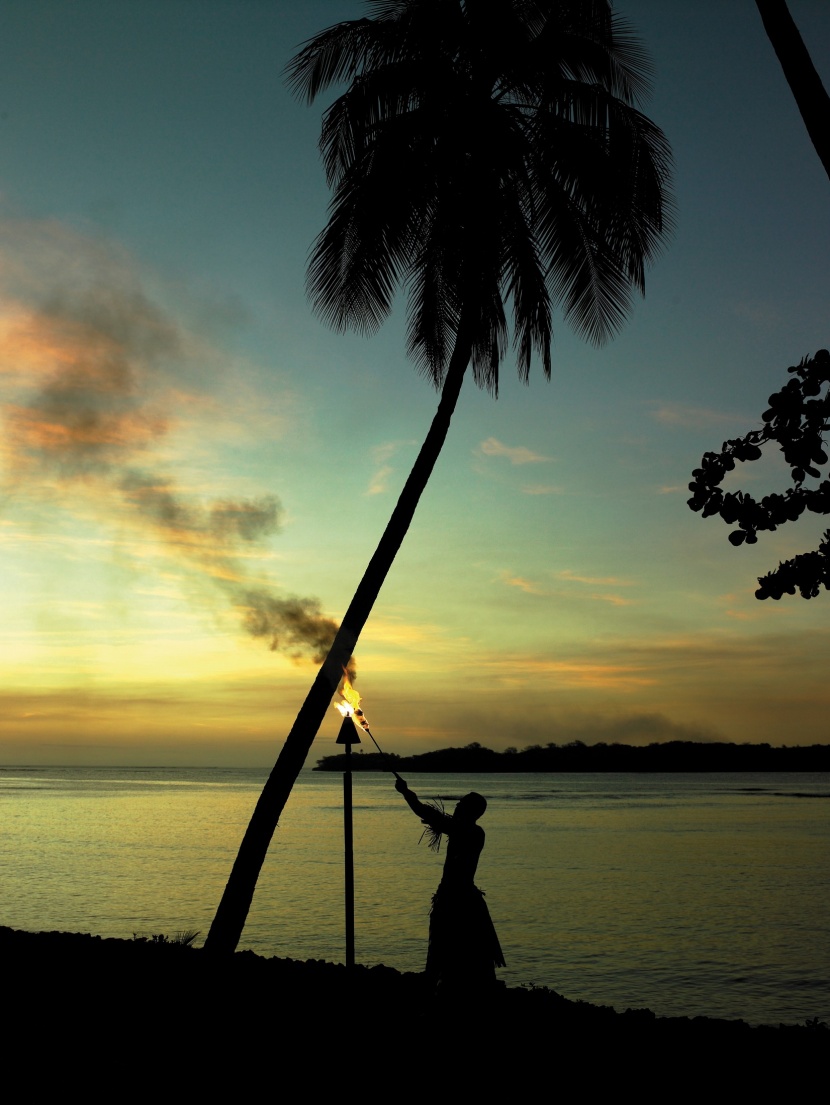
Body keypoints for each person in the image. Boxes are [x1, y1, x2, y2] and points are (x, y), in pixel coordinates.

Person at [394, 775, 505, 993]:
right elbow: (433, 816)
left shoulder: (470, 832)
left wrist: (406, 793)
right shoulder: (466, 830)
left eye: (461, 803)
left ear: (470, 811)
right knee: (465, 948)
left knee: (448, 946)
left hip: (456, 899)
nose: (456, 805)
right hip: (461, 897)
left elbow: (426, 813)